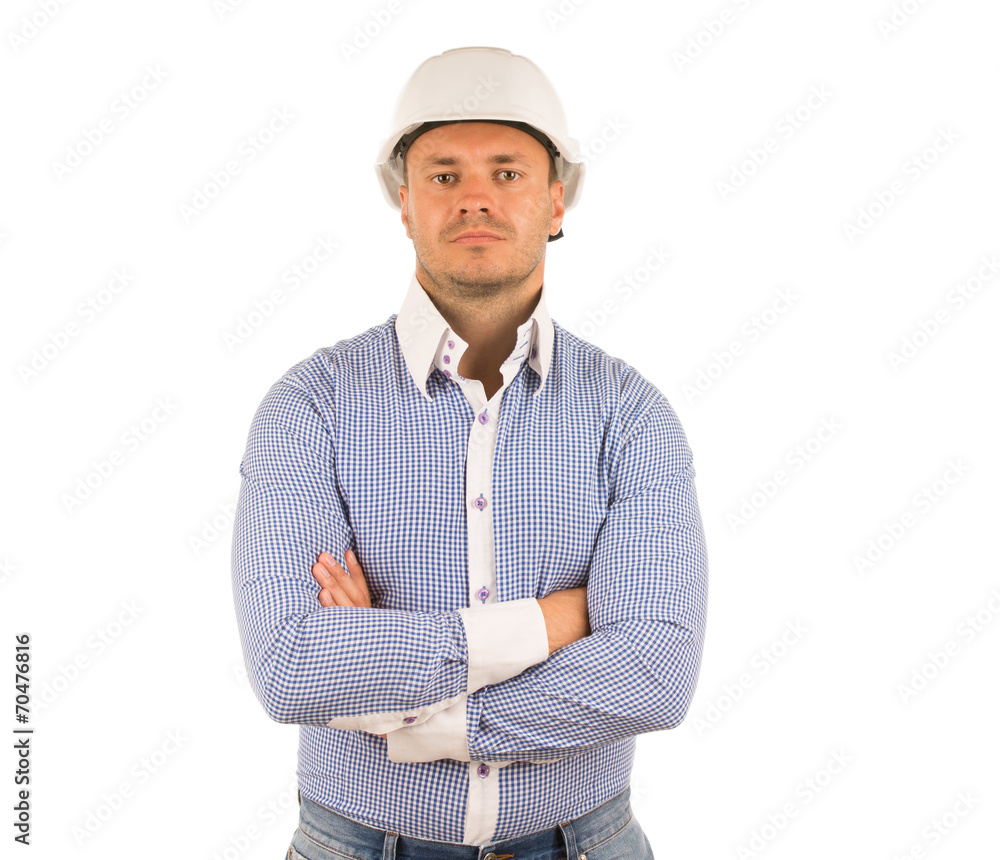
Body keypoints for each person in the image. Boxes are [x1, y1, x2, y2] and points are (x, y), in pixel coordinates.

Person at [231, 46, 708, 860]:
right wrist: (552, 623)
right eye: (444, 175)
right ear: (405, 204)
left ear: (556, 200)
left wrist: (410, 702)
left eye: (507, 173)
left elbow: (655, 672)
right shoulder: (311, 406)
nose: (475, 198)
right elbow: (290, 663)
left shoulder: (630, 414)